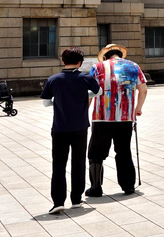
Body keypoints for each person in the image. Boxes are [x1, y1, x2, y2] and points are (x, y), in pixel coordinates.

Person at [41, 47, 101, 214]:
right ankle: (76, 199)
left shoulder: (53, 79)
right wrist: (84, 96)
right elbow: (99, 92)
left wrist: (58, 101)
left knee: (59, 164)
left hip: (60, 128)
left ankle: (58, 201)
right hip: (80, 127)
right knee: (78, 162)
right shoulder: (85, 77)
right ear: (80, 63)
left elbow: (46, 103)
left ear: (63, 61)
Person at [86, 44, 147, 197]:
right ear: (120, 54)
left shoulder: (97, 67)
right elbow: (143, 90)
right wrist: (138, 108)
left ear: (105, 56)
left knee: (96, 153)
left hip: (102, 117)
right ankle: (128, 186)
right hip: (125, 117)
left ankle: (96, 187)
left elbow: (89, 92)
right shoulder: (134, 66)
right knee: (123, 150)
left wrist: (84, 111)